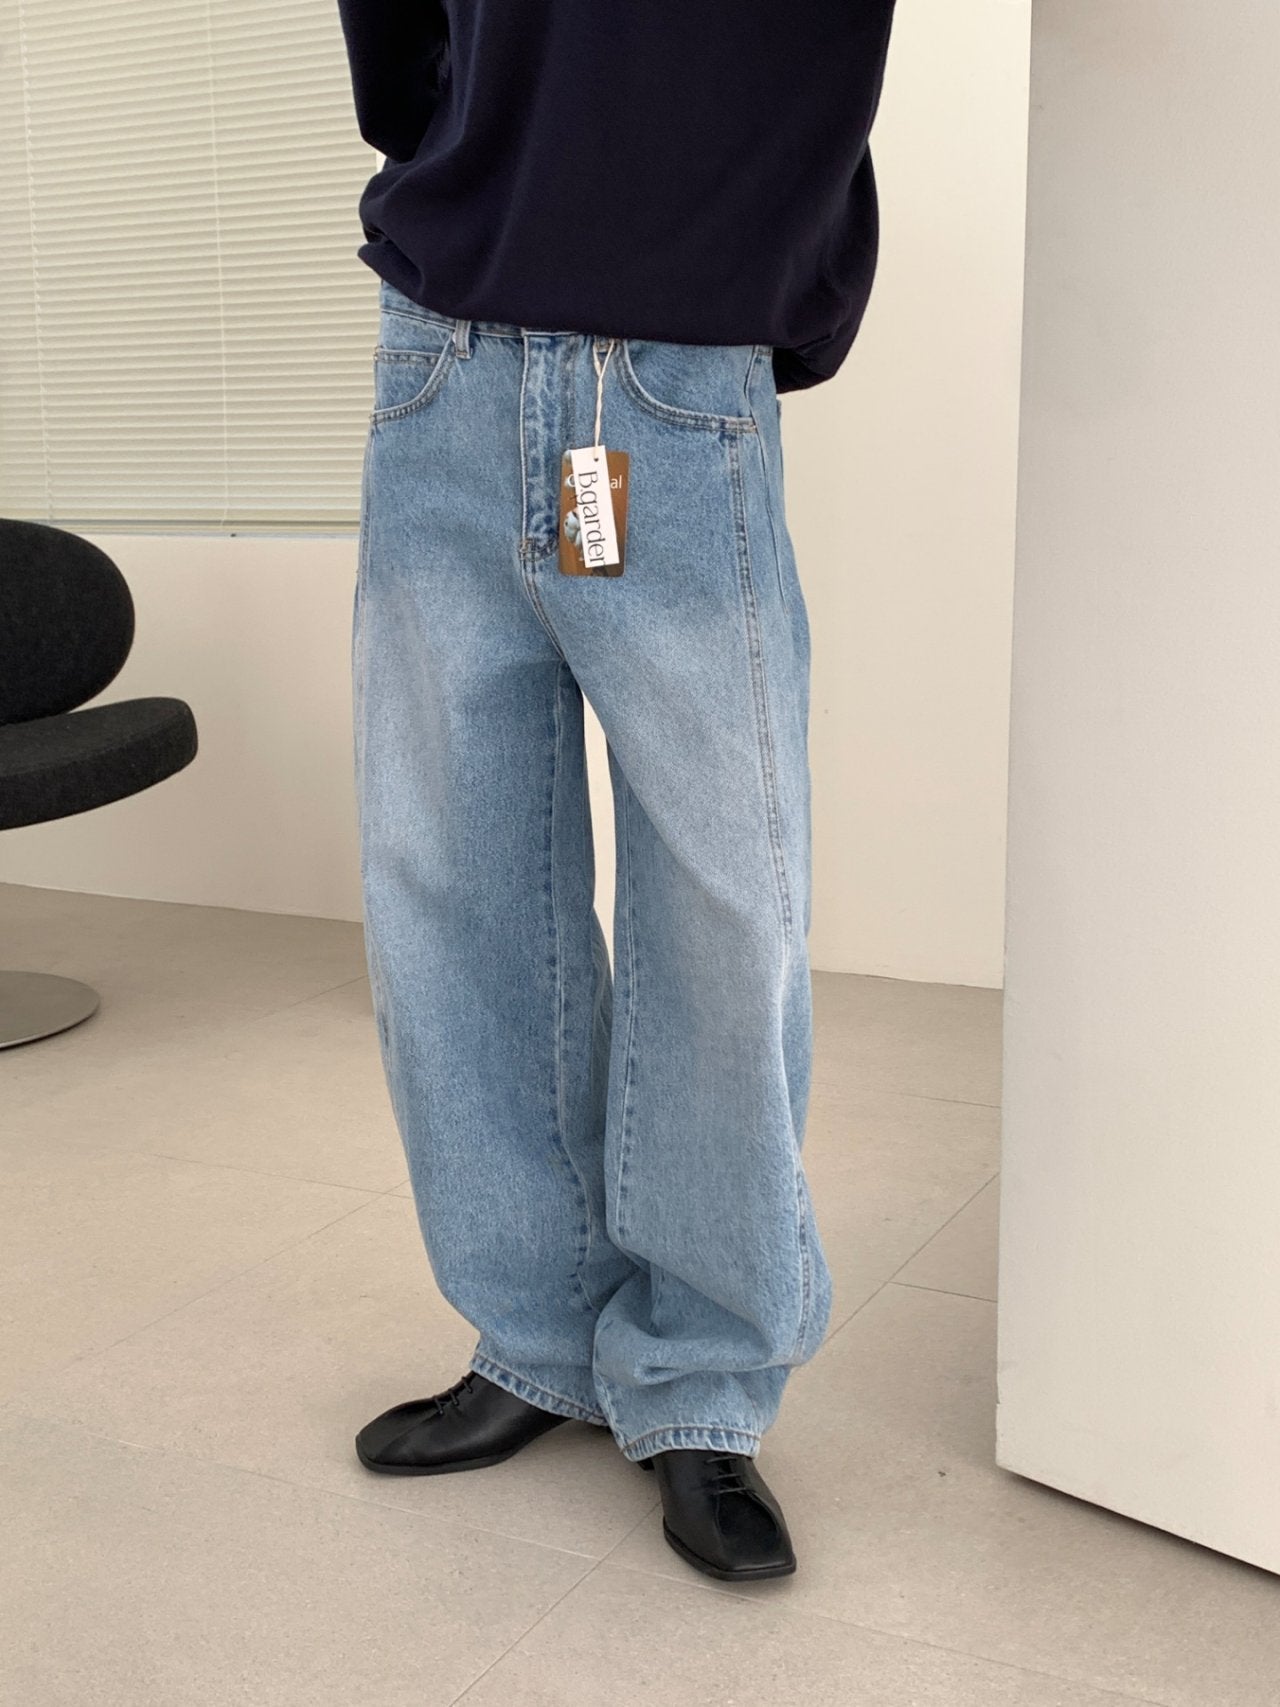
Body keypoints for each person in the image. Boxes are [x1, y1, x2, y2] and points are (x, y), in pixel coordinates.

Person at [335, 0, 897, 1583]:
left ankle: (701, 1379)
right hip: (444, 361)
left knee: (727, 902)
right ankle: (534, 1332)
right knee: (450, 885)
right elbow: (397, 48)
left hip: (672, 376)